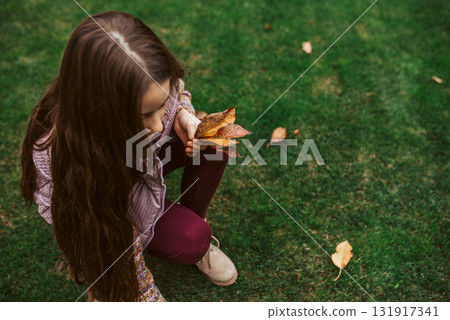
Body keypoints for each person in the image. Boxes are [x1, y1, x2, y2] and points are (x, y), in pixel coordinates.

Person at [20, 10, 237, 302]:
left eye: (161, 106)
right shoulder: (61, 153)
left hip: (144, 161)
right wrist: (141, 293)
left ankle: (190, 222)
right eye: (144, 114)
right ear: (98, 109)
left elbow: (178, 92)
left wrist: (183, 115)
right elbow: (99, 226)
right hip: (111, 199)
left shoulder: (149, 86)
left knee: (213, 146)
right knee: (186, 239)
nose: (159, 124)